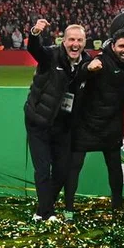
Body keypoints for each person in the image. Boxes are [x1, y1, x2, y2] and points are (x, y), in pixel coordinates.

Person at [25, 19, 92, 222]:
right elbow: (35, 49)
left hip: (63, 125)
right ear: (63, 41)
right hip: (39, 121)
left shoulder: (87, 62)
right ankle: (48, 213)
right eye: (71, 40)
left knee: (62, 171)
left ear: (85, 42)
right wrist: (35, 33)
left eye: (79, 40)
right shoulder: (51, 55)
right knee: (43, 170)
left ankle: (42, 210)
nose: (75, 44)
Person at [65, 30, 124, 216]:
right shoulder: (100, 61)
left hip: (111, 124)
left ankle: (117, 207)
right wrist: (87, 68)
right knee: (74, 166)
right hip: (87, 123)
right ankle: (68, 208)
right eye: (121, 46)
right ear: (113, 46)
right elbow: (78, 76)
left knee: (114, 166)